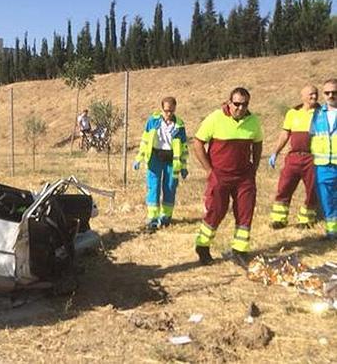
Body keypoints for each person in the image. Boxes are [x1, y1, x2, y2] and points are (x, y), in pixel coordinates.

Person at [192, 87, 263, 267]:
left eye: (244, 104)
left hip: (244, 177)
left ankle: (239, 250)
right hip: (220, 175)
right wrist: (209, 170)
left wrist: (253, 168)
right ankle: (202, 246)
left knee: (245, 212)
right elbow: (198, 142)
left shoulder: (253, 121)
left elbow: (257, 144)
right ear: (229, 102)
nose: (240, 108)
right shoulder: (215, 118)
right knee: (216, 211)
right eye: (237, 104)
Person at [133, 97, 189, 231]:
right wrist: (139, 158)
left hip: (171, 160)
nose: (168, 114)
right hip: (155, 158)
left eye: (171, 111)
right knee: (154, 187)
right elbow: (145, 141)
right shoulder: (152, 122)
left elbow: (184, 148)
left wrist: (184, 166)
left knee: (170, 188)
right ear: (161, 109)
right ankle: (152, 218)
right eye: (166, 111)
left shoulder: (179, 125)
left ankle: (166, 217)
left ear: (175, 109)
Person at [268, 85, 319, 229]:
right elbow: (285, 134)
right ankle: (279, 219)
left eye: (316, 94)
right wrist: (275, 152)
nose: (314, 97)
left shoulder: (321, 113)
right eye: (310, 94)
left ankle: (306, 220)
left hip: (313, 158)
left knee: (312, 189)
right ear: (302, 96)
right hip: (294, 157)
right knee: (284, 187)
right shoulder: (292, 113)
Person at [309, 78, 337, 241]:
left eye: (334, 92)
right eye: (327, 93)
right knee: (327, 200)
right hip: (323, 166)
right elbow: (311, 136)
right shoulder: (317, 114)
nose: (331, 95)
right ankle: (332, 232)